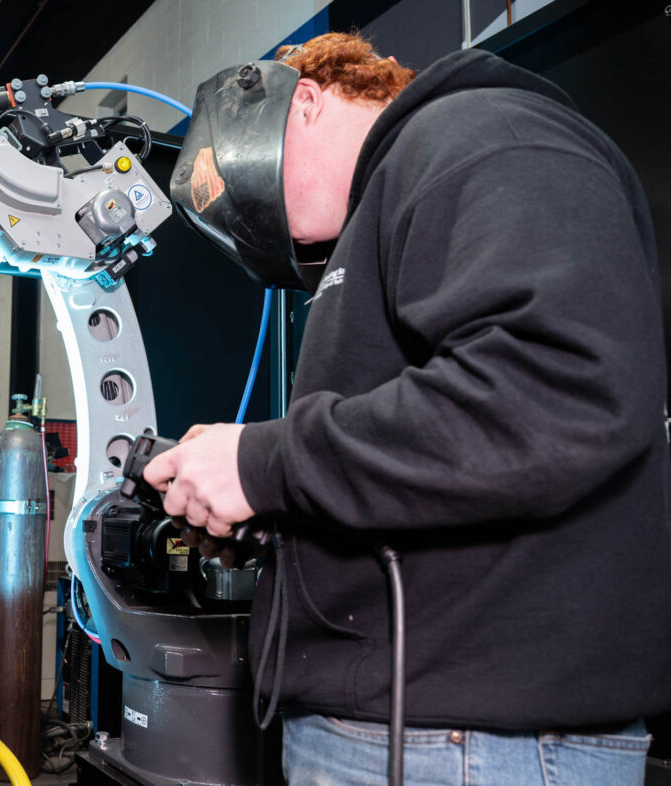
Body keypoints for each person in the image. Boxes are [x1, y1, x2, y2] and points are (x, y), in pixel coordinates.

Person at [149, 32, 671, 785]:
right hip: (417, 730)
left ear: (306, 100)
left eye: (274, 208)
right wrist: (275, 506)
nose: (292, 239)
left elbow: (550, 395)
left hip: (472, 745)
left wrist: (264, 463)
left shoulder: (482, 136)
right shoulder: (399, 192)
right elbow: (432, 453)